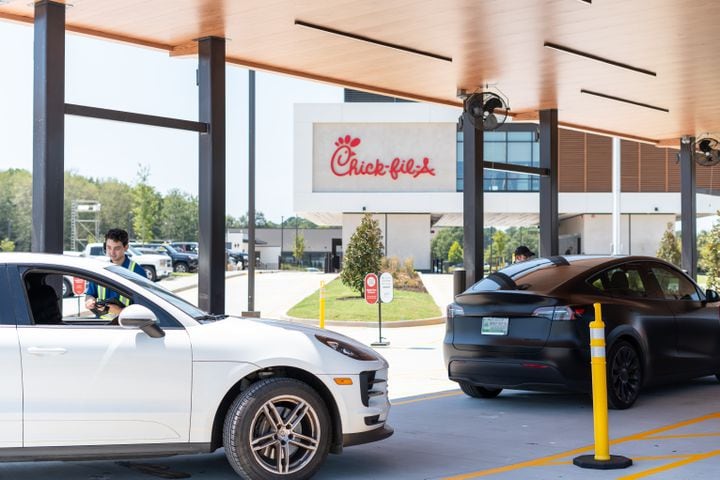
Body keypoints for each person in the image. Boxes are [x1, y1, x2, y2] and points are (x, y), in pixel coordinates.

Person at [85, 228, 146, 319]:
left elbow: (144, 307)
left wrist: (120, 311)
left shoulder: (137, 272)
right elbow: (90, 294)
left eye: (117, 248)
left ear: (126, 247)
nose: (112, 252)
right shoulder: (101, 269)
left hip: (126, 327)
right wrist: (89, 300)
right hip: (101, 326)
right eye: (109, 247)